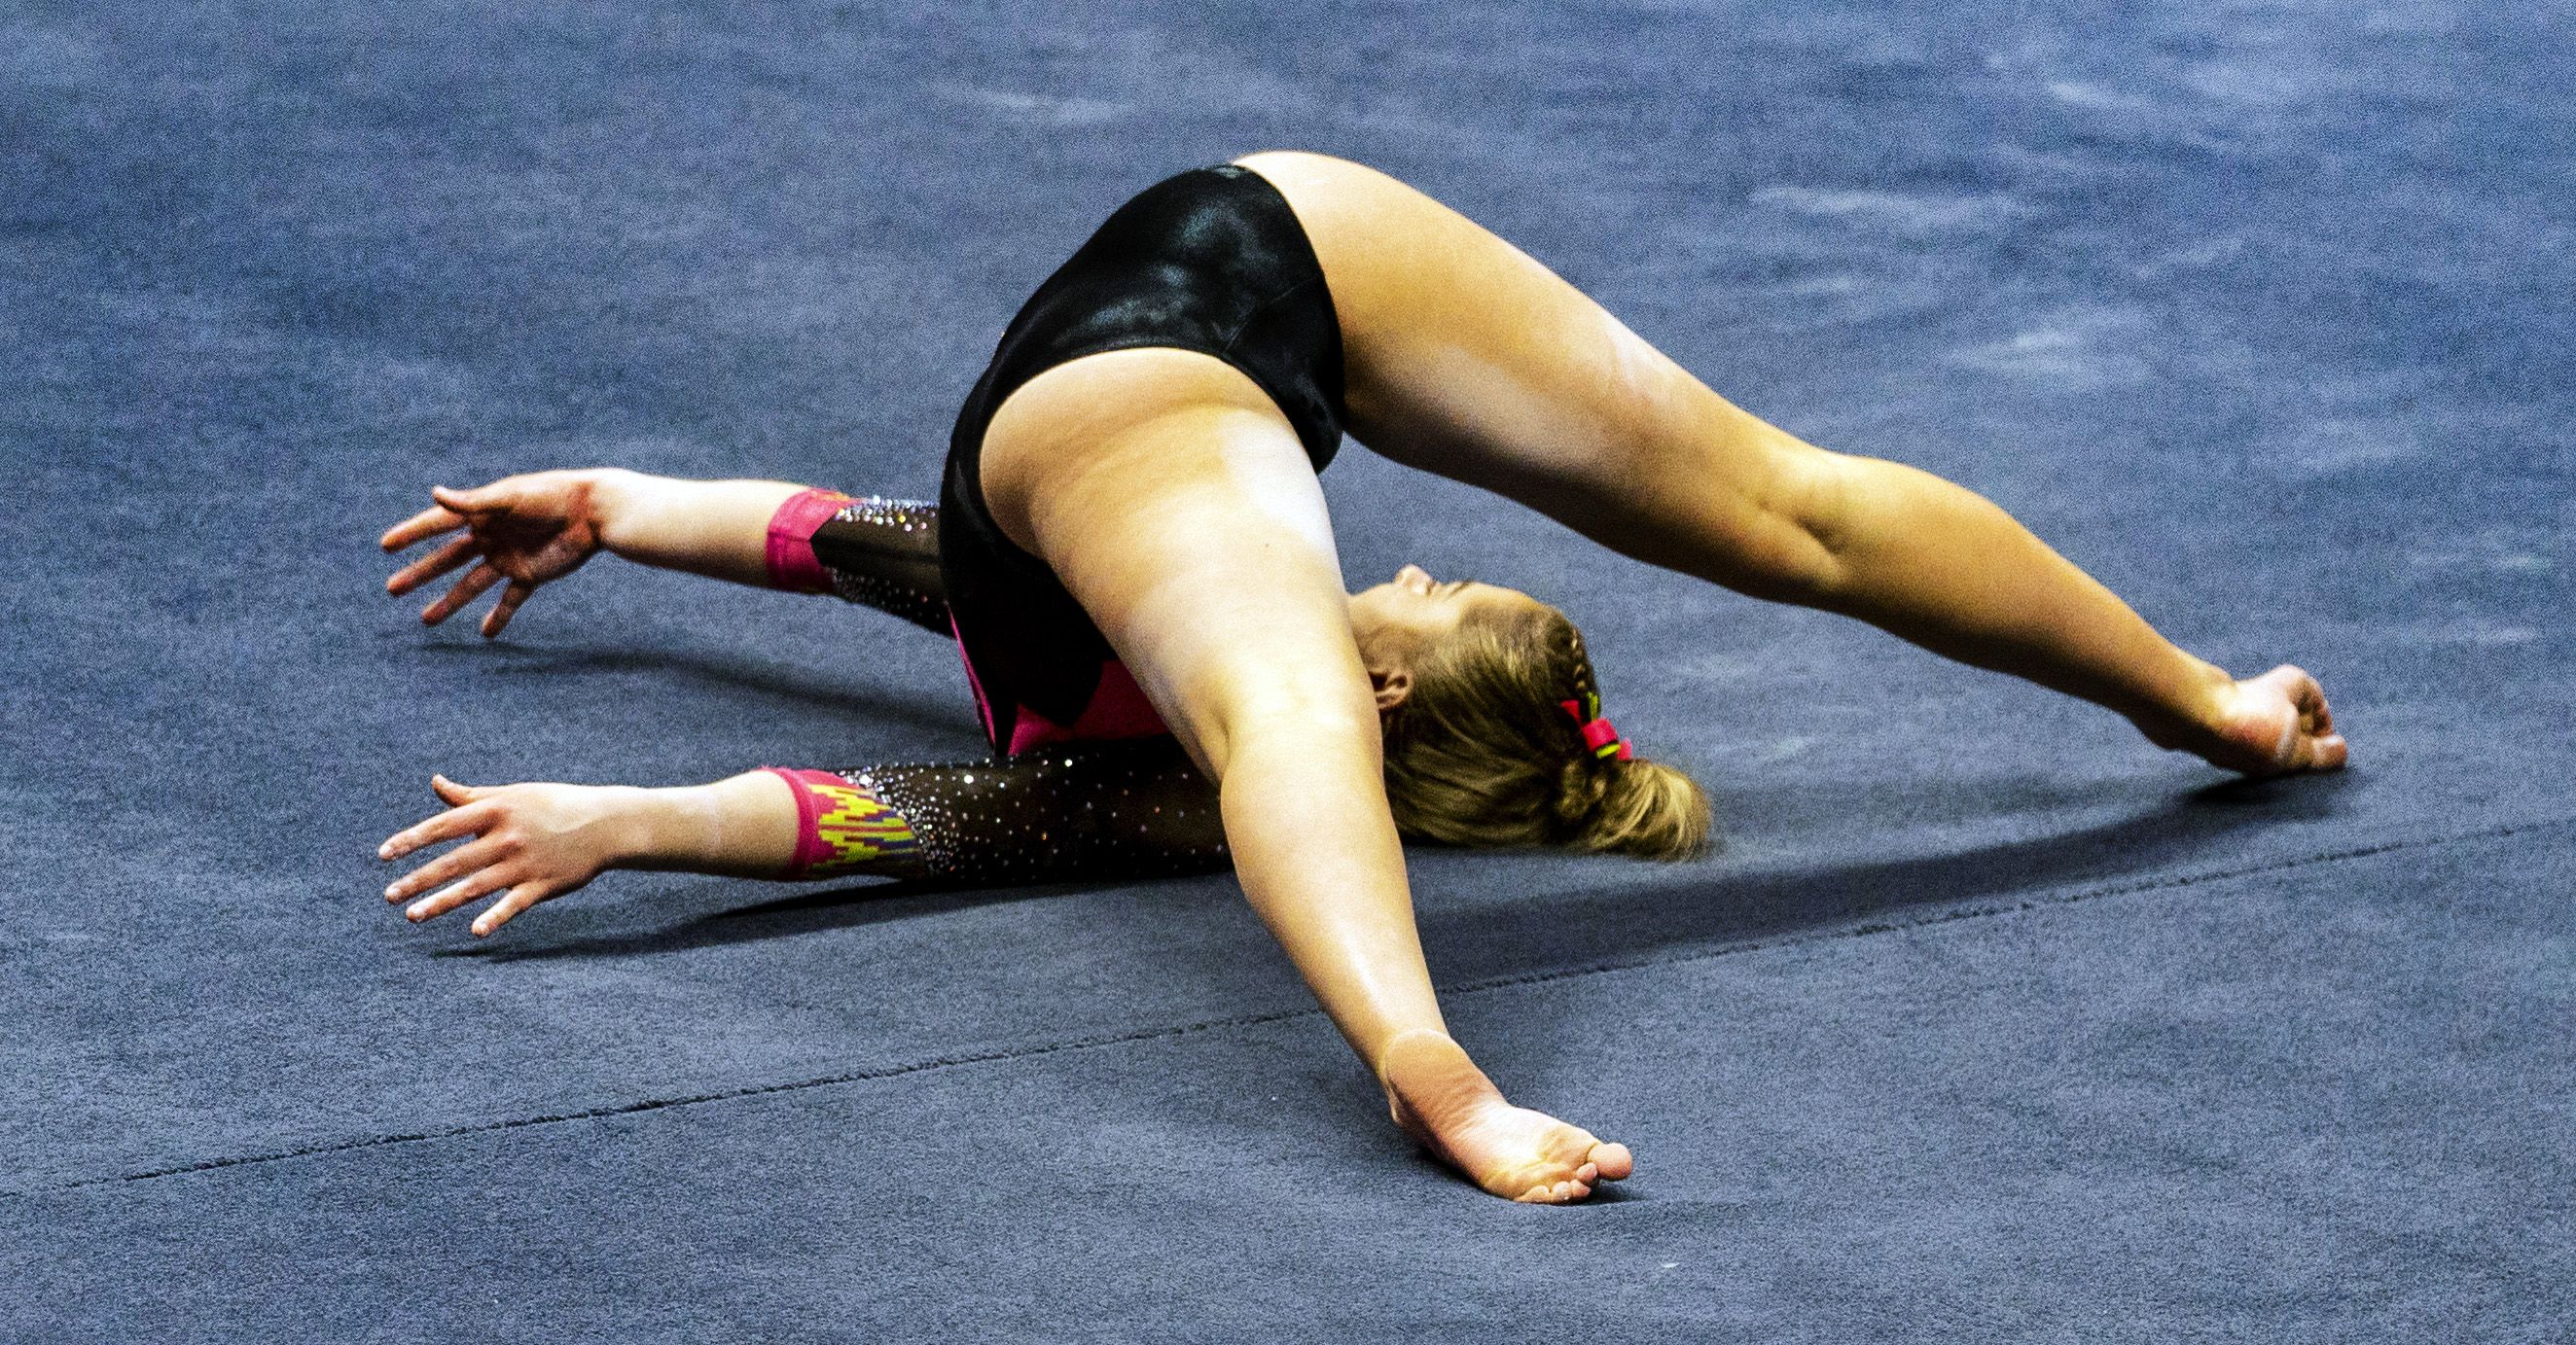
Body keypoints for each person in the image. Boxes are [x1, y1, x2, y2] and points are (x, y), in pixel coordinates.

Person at [376, 152, 2346, 1203]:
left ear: (1384, 693)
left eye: (1407, 605)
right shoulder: (1174, 562)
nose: (1391, 561)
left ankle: (1423, 1062)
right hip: (1294, 252)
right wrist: (620, 504)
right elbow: (836, 537)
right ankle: (2202, 697)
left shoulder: (1229, 696)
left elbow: (904, 810)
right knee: (1779, 504)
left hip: (1192, 302)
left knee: (1334, 674)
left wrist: (620, 819)